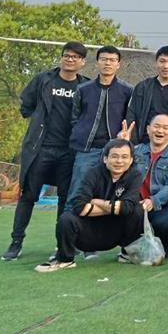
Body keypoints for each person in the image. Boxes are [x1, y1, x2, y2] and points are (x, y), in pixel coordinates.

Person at [4, 41, 89, 262]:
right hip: (41, 149)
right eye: (66, 55)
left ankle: (62, 245)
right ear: (61, 58)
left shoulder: (85, 86)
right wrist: (39, 122)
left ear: (82, 62)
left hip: (69, 151)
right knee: (28, 196)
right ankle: (16, 242)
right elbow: (26, 106)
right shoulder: (44, 80)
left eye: (75, 57)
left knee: (65, 199)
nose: (70, 59)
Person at [36, 138, 144, 273]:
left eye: (124, 157)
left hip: (116, 232)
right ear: (105, 159)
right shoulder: (92, 173)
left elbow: (127, 207)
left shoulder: (135, 175)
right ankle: (65, 259)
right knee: (66, 218)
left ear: (131, 160)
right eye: (114, 156)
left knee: (138, 210)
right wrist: (115, 208)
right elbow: (79, 207)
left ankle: (127, 254)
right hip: (89, 234)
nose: (119, 161)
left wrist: (97, 201)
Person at [67, 46, 134, 211]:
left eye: (112, 60)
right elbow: (75, 118)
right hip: (86, 150)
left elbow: (129, 120)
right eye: (104, 59)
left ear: (118, 64)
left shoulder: (127, 90)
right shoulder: (83, 89)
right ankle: (68, 226)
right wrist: (80, 133)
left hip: (114, 152)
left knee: (111, 196)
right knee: (77, 194)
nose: (107, 63)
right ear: (97, 62)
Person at [133, 113, 168, 255]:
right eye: (156, 126)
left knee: (164, 222)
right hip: (138, 204)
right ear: (148, 129)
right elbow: (112, 163)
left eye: (165, 128)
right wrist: (121, 143)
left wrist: (153, 201)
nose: (160, 131)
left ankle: (167, 244)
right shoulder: (135, 151)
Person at [126, 45, 168, 151]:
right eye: (162, 61)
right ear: (156, 62)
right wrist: (134, 145)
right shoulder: (143, 87)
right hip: (142, 146)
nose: (166, 66)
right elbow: (131, 115)